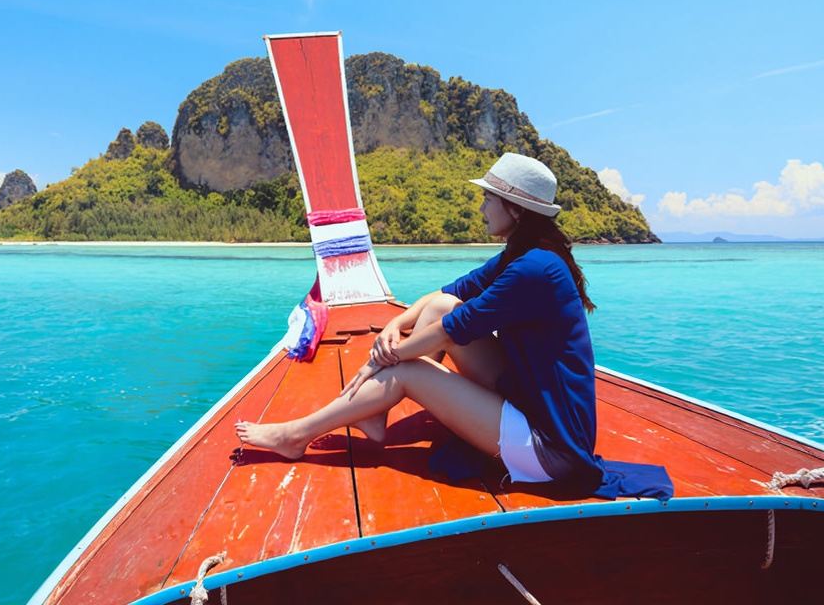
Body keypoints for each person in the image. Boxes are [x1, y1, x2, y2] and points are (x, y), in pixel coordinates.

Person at [236, 152, 607, 494]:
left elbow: (456, 329)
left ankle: (296, 435)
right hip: (529, 403)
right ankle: (374, 410)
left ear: (516, 210)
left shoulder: (534, 269)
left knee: (407, 371)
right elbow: (449, 294)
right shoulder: (524, 256)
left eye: (489, 199)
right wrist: (394, 326)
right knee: (440, 306)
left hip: (551, 449)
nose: (482, 208)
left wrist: (384, 358)